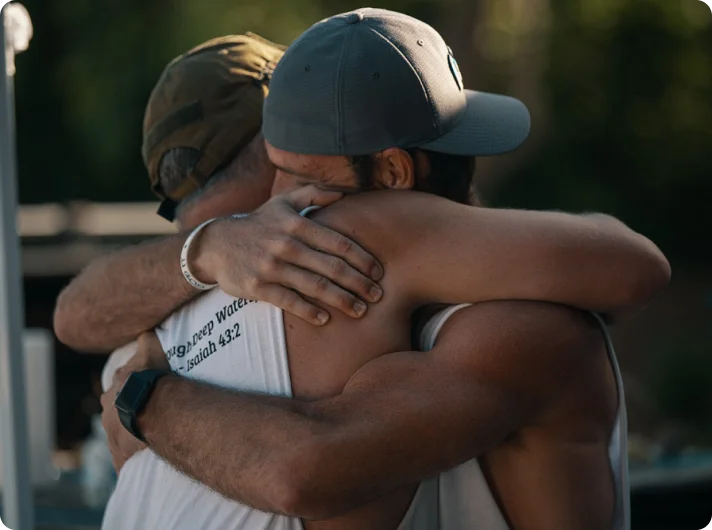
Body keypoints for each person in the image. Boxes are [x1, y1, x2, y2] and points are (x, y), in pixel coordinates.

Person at [59, 13, 669, 530]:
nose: (276, 202)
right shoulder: (306, 270)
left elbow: (301, 470)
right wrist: (210, 249)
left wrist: (145, 400)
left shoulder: (506, 320)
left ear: (394, 178)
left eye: (299, 177)